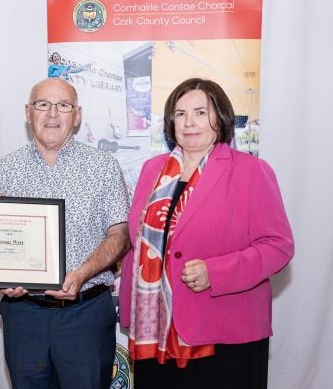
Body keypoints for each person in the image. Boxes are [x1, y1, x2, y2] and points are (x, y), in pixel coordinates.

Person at [118, 78, 295, 388]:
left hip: (224, 331)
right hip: (155, 328)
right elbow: (140, 242)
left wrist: (216, 272)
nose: (189, 122)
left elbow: (278, 246)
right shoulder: (151, 170)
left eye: (200, 112)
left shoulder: (251, 171)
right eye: (180, 113)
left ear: (221, 117)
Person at [0, 77, 130, 389]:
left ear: (77, 115)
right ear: (28, 112)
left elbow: (120, 234)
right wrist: (2, 277)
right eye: (42, 104)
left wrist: (82, 273)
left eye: (63, 105)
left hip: (86, 314)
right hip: (24, 316)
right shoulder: (5, 170)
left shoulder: (104, 167)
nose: (52, 114)